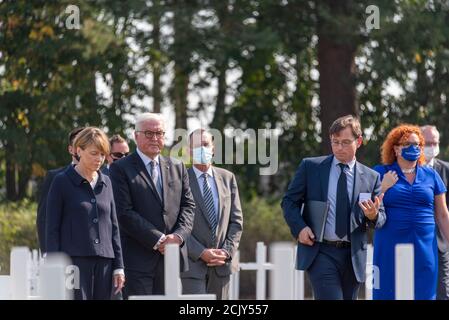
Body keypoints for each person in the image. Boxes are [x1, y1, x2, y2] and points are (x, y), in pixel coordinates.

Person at [281, 115, 386, 300]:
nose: (339, 147)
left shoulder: (371, 177)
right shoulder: (311, 167)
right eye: (335, 142)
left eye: (345, 142)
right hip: (321, 251)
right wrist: (300, 228)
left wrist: (373, 215)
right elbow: (289, 202)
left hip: (353, 256)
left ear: (359, 141)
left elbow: (381, 218)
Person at [109, 112, 195, 297]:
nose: (155, 138)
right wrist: (159, 240)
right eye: (148, 133)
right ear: (136, 135)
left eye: (160, 133)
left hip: (171, 259)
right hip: (138, 259)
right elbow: (123, 212)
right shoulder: (120, 168)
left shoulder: (177, 167)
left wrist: (178, 237)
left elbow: (188, 206)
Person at [45, 127, 125, 300]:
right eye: (94, 153)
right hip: (73, 263)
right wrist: (53, 266)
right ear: (78, 150)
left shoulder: (107, 182)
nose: (99, 159)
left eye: (103, 154)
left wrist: (119, 267)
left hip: (105, 262)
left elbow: (114, 227)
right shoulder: (61, 181)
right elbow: (52, 227)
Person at [373, 124, 449, 300]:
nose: (413, 148)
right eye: (408, 144)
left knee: (425, 294)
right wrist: (383, 187)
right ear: (396, 149)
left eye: (417, 145)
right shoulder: (381, 172)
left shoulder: (431, 175)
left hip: (425, 247)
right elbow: (369, 206)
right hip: (390, 244)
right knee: (388, 293)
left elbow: (442, 215)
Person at [180, 129, 243, 299]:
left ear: (213, 148)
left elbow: (236, 222)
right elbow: (175, 224)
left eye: (206, 145)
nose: (203, 149)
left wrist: (227, 251)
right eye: (197, 146)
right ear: (189, 151)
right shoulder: (180, 179)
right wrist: (200, 252)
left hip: (222, 266)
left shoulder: (228, 178)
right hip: (191, 265)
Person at [36, 127, 84, 253]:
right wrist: (47, 253)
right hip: (64, 254)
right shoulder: (54, 177)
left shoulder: (102, 179)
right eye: (79, 145)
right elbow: (43, 218)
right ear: (70, 149)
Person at [420, 125, 449, 300]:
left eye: (435, 142)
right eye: (427, 143)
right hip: (415, 241)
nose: (432, 146)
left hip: (441, 243)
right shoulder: (408, 169)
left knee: (443, 293)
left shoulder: (446, 170)